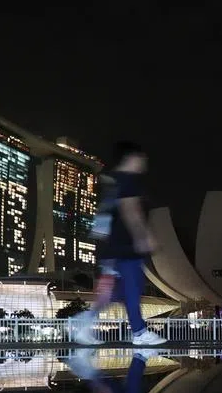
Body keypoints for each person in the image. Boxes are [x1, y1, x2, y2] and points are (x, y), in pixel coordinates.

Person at [71, 142, 166, 347]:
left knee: (114, 293)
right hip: (126, 248)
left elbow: (105, 217)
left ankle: (83, 323)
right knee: (133, 287)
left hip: (111, 249)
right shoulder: (128, 180)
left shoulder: (112, 181)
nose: (144, 163)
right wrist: (144, 236)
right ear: (132, 158)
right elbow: (131, 210)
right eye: (142, 158)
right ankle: (139, 333)